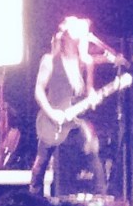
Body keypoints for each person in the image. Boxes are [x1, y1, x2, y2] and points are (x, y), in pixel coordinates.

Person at [29, 16, 106, 196]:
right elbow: (39, 90)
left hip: (75, 119)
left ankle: (100, 196)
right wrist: (52, 113)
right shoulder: (50, 60)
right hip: (52, 119)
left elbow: (89, 90)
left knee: (91, 148)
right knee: (41, 163)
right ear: (66, 35)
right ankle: (33, 197)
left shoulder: (85, 62)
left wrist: (93, 97)